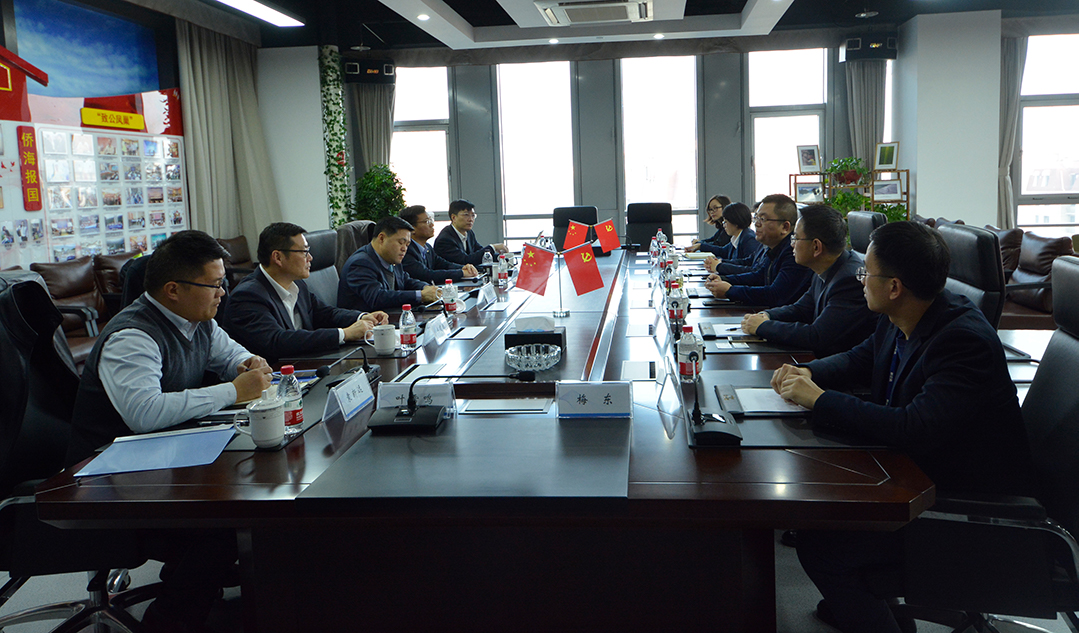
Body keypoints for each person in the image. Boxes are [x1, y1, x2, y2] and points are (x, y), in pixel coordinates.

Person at [770, 221, 1034, 633]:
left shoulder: (962, 341)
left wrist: (819, 400)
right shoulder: (905, 312)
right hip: (916, 473)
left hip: (962, 500)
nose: (860, 279)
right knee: (825, 514)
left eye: (866, 273)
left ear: (894, 286)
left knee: (821, 543)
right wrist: (807, 373)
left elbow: (913, 427)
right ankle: (865, 605)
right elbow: (860, 358)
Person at [66, 230, 273, 633]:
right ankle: (168, 622)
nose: (223, 293)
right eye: (214, 285)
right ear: (173, 289)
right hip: (108, 480)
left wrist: (249, 364)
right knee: (226, 526)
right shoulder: (133, 336)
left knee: (245, 497)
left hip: (159, 462)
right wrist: (233, 390)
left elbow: (232, 355)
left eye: (223, 283)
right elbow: (145, 413)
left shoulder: (198, 321)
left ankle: (206, 591)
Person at [222, 222, 388, 361]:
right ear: (278, 257)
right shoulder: (248, 296)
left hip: (304, 365)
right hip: (272, 378)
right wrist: (344, 334)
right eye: (304, 252)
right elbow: (277, 342)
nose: (310, 258)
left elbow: (324, 313)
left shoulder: (297, 284)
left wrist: (361, 317)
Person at [740, 205, 877, 357]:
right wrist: (766, 315)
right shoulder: (825, 266)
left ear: (816, 247)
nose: (791, 244)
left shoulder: (849, 281)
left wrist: (763, 327)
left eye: (796, 238)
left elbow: (817, 336)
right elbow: (801, 309)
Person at [703, 193, 812, 308]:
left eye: (763, 219)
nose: (757, 224)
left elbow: (775, 295)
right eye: (756, 218)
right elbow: (759, 276)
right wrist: (723, 279)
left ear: (785, 227)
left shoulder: (793, 252)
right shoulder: (773, 247)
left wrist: (730, 291)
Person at [339, 215, 441, 312]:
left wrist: (426, 288)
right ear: (382, 238)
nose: (404, 249)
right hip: (366, 321)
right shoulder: (360, 263)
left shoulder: (392, 258)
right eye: (401, 242)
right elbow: (377, 297)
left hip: (389, 315)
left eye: (407, 244)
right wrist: (420, 295)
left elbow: (405, 281)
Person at [400, 205, 480, 283]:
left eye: (431, 220)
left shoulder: (427, 247)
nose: (432, 224)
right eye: (427, 222)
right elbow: (426, 275)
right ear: (412, 228)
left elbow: (444, 264)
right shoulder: (406, 250)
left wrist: (464, 268)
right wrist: (461, 273)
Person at [433, 199, 509, 266]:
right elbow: (465, 261)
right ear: (454, 218)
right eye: (466, 215)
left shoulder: (469, 233)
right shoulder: (445, 239)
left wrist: (501, 258)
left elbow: (479, 253)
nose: (470, 219)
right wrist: (493, 247)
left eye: (473, 215)